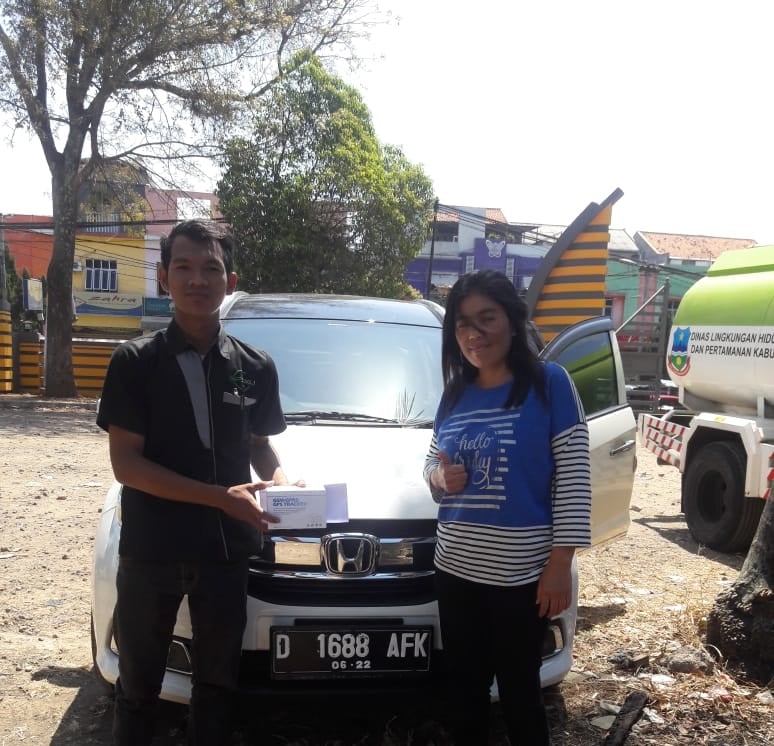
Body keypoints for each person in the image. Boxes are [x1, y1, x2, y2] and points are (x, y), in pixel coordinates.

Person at [97, 219, 293, 746]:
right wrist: (218, 498)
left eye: (211, 268)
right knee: (138, 687)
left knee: (217, 685)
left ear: (231, 282)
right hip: (152, 550)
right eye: (183, 267)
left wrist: (283, 483)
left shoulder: (255, 366)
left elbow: (259, 446)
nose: (197, 279)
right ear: (163, 277)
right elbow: (127, 465)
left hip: (224, 554)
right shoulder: (134, 362)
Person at [423, 269, 591, 746]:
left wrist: (560, 564)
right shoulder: (454, 393)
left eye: (487, 318)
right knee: (465, 693)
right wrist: (439, 478)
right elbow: (431, 464)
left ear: (513, 322)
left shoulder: (549, 383)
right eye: (462, 323)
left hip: (521, 579)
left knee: (521, 696)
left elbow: (575, 477)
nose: (473, 333)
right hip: (454, 570)